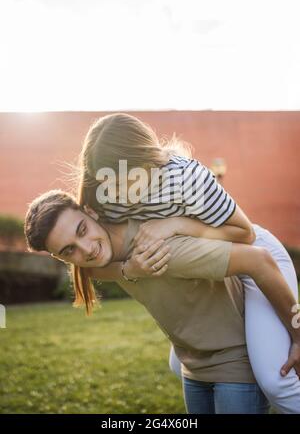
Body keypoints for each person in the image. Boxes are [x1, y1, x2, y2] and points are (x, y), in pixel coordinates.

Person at [69, 112, 300, 414]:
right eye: (109, 185)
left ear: (147, 158)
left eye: (127, 181)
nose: (119, 196)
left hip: (254, 252)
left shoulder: (185, 176)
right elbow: (92, 258)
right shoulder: (102, 188)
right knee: (180, 366)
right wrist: (130, 269)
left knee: (275, 381)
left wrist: (177, 224)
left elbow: (243, 233)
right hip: (213, 261)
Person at [25, 190, 300, 414]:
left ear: (91, 212)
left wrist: (297, 335)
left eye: (82, 230)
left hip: (235, 352)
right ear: (60, 258)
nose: (86, 249)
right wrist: (129, 270)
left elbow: (259, 259)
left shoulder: (159, 250)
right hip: (194, 363)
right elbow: (98, 265)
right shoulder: (97, 259)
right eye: (68, 250)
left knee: (277, 383)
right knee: (174, 365)